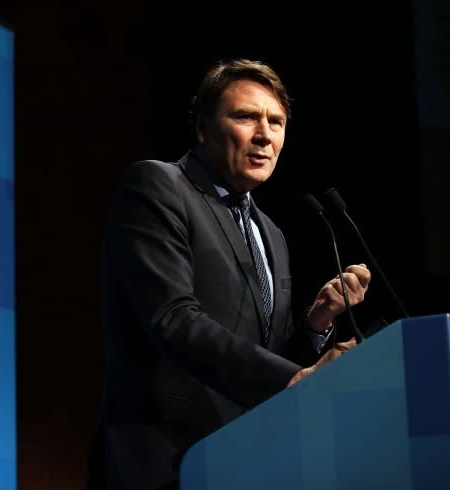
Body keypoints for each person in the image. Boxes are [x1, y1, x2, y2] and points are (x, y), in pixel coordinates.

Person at [86, 58, 371, 490]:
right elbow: (173, 319)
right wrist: (290, 376)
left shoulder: (271, 233)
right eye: (245, 117)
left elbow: (266, 354)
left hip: (243, 460)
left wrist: (316, 324)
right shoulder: (157, 186)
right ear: (202, 129)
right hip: (163, 460)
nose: (264, 135)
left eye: (276, 122)